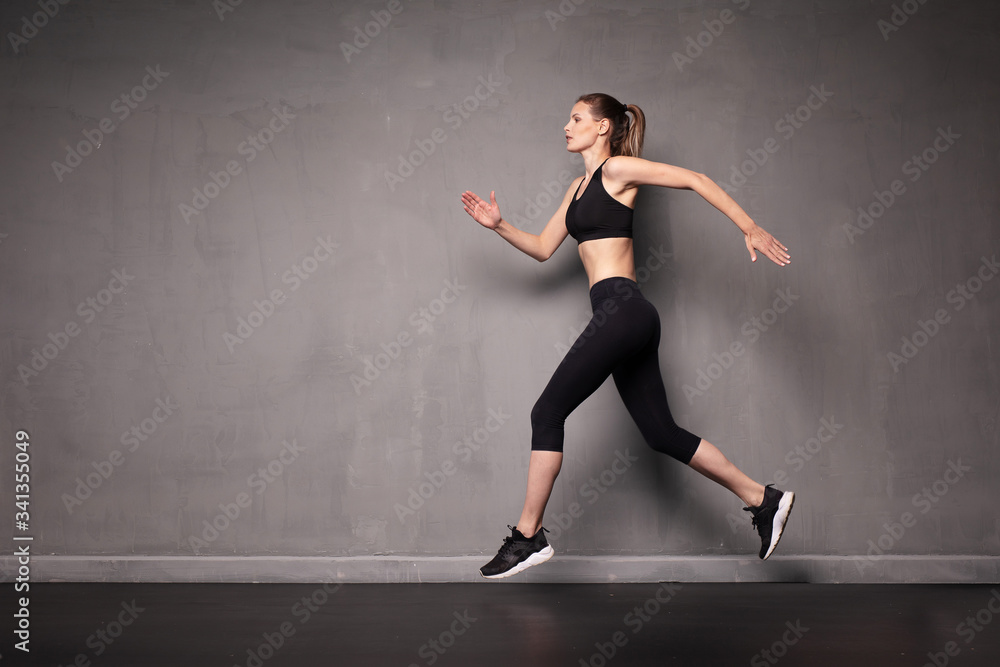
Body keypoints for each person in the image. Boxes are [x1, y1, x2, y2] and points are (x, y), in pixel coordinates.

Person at [460, 93, 795, 580]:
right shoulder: (578, 187)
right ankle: (763, 499)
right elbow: (541, 249)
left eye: (576, 118)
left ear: (603, 128)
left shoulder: (618, 170)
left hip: (622, 309)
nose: (567, 125)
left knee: (546, 413)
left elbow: (694, 179)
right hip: (624, 315)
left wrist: (750, 227)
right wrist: (499, 226)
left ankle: (528, 536)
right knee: (661, 434)